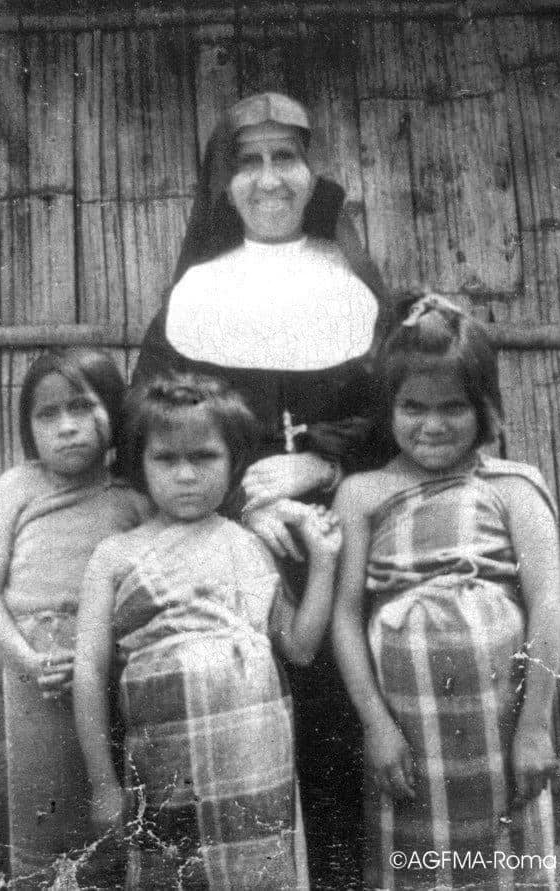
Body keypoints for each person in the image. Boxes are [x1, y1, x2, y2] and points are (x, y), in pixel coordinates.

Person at [132, 91, 388, 885]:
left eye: (286, 157)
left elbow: (405, 415)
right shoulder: (194, 296)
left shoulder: (354, 283)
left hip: (346, 546)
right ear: (223, 182)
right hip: (225, 548)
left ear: (313, 173)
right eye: (249, 161)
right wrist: (243, 495)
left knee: (339, 746)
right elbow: (147, 432)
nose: (269, 178)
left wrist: (323, 464)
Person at [73, 373, 342, 890]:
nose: (186, 475)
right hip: (164, 766)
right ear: (140, 462)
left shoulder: (249, 544)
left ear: (233, 460)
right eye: (166, 459)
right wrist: (102, 783)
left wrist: (324, 561)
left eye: (204, 457)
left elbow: (300, 647)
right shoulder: (116, 556)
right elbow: (88, 671)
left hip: (255, 766)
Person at [333, 294, 560, 890]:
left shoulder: (514, 488)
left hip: (501, 729)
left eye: (453, 407)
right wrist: (375, 725)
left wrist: (535, 727)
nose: (431, 425)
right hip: (407, 735)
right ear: (389, 408)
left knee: (506, 868)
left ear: (484, 408)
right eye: (413, 407)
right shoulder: (362, 493)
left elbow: (547, 609)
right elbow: (345, 618)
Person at [0, 349, 150, 888]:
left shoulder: (134, 497)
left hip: (106, 672)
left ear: (114, 410)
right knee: (44, 817)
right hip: (34, 672)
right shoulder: (17, 487)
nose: (66, 427)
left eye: (82, 407)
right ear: (28, 428)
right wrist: (26, 659)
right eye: (47, 414)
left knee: (109, 818)